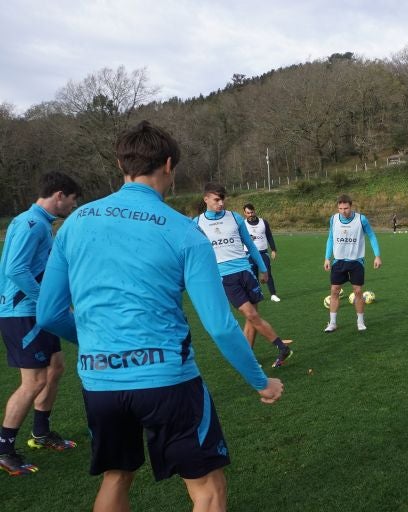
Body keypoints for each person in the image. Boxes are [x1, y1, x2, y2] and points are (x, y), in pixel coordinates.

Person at [35, 121, 283, 511]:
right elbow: (219, 324)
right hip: (169, 381)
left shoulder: (73, 224)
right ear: (169, 165)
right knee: (208, 489)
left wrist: (101, 345)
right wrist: (260, 381)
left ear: (121, 163)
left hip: (100, 381)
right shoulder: (185, 231)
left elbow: (48, 312)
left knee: (117, 477)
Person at [0, 171, 81, 476]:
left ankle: (41, 433)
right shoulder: (30, 223)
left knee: (56, 367)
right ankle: (4, 448)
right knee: (32, 382)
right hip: (22, 314)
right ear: (59, 195)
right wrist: (46, 300)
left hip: (36, 312)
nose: (72, 207)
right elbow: (15, 269)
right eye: (72, 200)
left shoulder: (42, 224)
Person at [196, 184, 293, 364]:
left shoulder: (234, 217)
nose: (221, 203)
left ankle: (247, 356)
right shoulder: (197, 223)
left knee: (252, 316)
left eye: (223, 199)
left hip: (246, 272)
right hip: (225, 277)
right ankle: (281, 346)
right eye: (216, 199)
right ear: (206, 199)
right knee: (251, 315)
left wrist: (263, 269)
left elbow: (250, 245)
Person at [324, 194, 382, 332]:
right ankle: (332, 323)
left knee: (358, 291)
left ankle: (360, 322)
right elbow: (330, 238)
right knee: (334, 291)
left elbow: (372, 236)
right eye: (340, 208)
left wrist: (377, 256)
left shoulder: (361, 219)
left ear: (351, 206)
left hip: (356, 261)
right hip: (338, 261)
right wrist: (327, 258)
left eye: (346, 208)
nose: (343, 211)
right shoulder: (334, 219)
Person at [243, 203, 280, 303]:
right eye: (248, 213)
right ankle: (258, 294)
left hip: (263, 252)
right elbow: (239, 239)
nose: (250, 214)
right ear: (244, 213)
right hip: (249, 253)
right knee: (253, 275)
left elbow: (269, 236)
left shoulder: (264, 222)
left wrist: (273, 250)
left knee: (267, 272)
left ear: (255, 211)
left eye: (252, 212)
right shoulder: (242, 224)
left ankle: (273, 294)